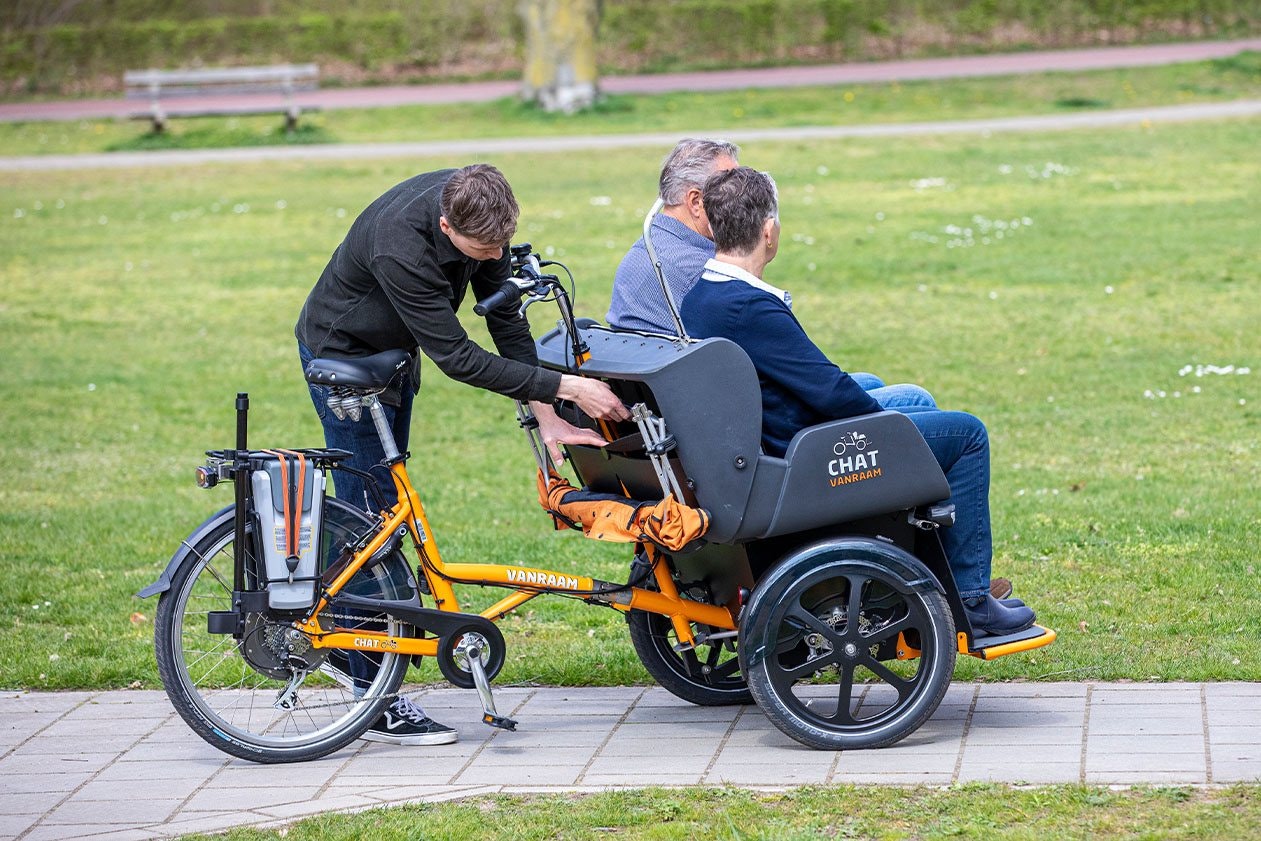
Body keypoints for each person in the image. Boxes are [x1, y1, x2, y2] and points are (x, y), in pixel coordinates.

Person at [295, 164, 630, 745]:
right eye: (482, 249)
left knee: (380, 514)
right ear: (446, 225)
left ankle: (370, 670)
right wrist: (566, 388)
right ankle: (370, 698)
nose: (494, 255)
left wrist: (546, 409)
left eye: (500, 245)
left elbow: (504, 317)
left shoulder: (482, 205)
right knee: (369, 524)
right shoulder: (401, 246)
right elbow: (457, 357)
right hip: (343, 352)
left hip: (394, 355)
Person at [679, 166, 1034, 635]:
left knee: (914, 399)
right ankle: (969, 598)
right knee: (967, 434)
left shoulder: (702, 294)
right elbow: (828, 391)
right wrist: (890, 433)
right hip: (800, 449)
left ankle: (916, 563)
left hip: (772, 429)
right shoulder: (749, 305)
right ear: (769, 231)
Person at [606, 139, 947, 420]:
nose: (739, 191)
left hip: (689, 409)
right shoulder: (705, 273)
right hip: (734, 424)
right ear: (696, 202)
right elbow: (802, 375)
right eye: (727, 185)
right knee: (914, 400)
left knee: (870, 382)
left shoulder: (649, 249)